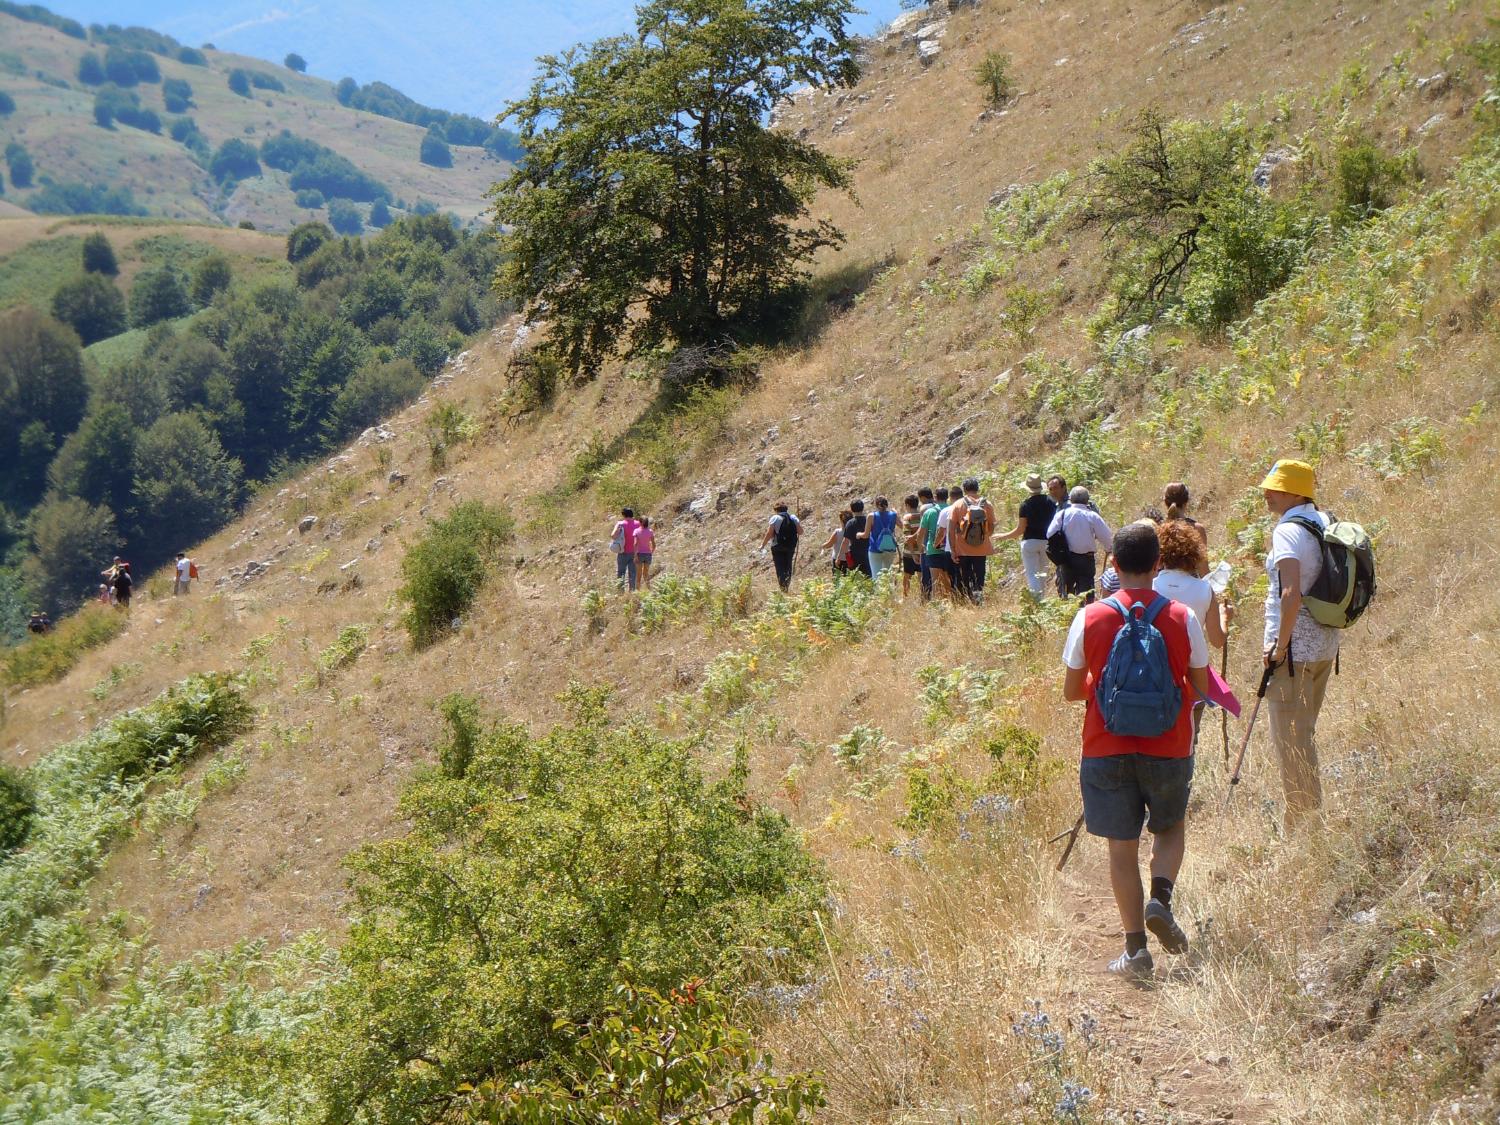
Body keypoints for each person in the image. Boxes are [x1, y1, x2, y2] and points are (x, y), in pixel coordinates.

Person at [1062, 522, 1210, 978]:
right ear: (1158, 564)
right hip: (1169, 746)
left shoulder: (1090, 616)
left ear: (1113, 564)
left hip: (1105, 746)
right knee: (1169, 829)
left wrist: (1104, 687)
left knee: (1121, 850)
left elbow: (1072, 692)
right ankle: (1160, 898)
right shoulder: (1182, 616)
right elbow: (1201, 688)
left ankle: (1135, 952)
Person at [1260, 459, 1340, 830]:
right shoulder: (1325, 520)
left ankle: (1304, 829)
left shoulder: (1288, 531)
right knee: (1303, 735)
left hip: (1295, 655)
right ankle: (1309, 822)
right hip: (1325, 647)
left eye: (1274, 487)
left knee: (1292, 744)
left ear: (1295, 491)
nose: (1267, 493)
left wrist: (1279, 648)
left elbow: (1289, 593)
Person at [1153, 520, 1229, 650]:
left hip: (1156, 666)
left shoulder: (1150, 587)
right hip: (1193, 666)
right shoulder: (1204, 590)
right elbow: (1217, 641)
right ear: (1194, 553)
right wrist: (1225, 617)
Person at [1047, 487, 1113, 600]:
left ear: (1070, 499)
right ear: (1087, 500)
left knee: (1068, 591)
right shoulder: (1092, 516)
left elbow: (1049, 534)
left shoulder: (1062, 515)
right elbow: (1107, 537)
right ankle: (1085, 614)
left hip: (1066, 558)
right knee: (1086, 591)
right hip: (1086, 559)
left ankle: (1069, 614)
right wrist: (1108, 548)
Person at [997, 473, 1056, 597]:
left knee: (1032, 573)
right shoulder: (1051, 502)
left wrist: (1004, 536)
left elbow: (1020, 529)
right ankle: (1043, 601)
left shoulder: (1025, 505)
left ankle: (1036, 601)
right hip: (1047, 542)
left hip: (1029, 542)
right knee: (1043, 573)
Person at [947, 477, 996, 604]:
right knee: (979, 578)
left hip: (962, 550)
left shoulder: (957, 504)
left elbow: (950, 529)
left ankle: (964, 603)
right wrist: (983, 536)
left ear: (964, 489)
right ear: (977, 488)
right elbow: (991, 526)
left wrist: (952, 550)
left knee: (964, 578)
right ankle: (977, 602)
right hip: (981, 549)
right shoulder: (987, 504)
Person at [1163, 482, 1209, 570]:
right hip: (1191, 582)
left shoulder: (1159, 529)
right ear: (1186, 502)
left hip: (1164, 582)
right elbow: (1203, 567)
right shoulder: (1197, 529)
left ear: (1165, 502)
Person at [760, 502, 800, 592]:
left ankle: (783, 588)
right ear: (786, 509)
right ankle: (787, 586)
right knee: (788, 566)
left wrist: (763, 545)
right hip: (790, 546)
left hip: (777, 546)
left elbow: (769, 533)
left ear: (776, 510)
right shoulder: (793, 517)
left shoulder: (775, 518)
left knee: (780, 567)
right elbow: (800, 532)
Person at [917, 487, 945, 601]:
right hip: (948, 548)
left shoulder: (926, 509)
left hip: (929, 548)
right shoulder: (950, 508)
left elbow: (921, 530)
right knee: (946, 577)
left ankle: (928, 600)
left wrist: (919, 547)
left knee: (929, 579)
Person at [866, 496, 900, 584]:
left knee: (876, 576)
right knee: (888, 574)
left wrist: (858, 535)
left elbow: (866, 535)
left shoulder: (871, 516)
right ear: (887, 505)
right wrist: (896, 514)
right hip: (890, 548)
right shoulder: (893, 515)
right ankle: (888, 595)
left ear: (876, 505)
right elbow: (904, 527)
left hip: (875, 549)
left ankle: (879, 595)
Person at [898, 494, 923, 599]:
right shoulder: (923, 515)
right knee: (921, 575)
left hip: (909, 552)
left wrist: (913, 554)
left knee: (907, 575)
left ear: (907, 505)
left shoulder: (907, 517)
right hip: (922, 550)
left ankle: (905, 597)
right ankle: (923, 595)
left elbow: (908, 537)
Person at [610, 508, 640, 591]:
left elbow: (613, 536)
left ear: (623, 515)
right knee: (633, 574)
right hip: (635, 552)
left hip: (623, 552)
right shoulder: (638, 524)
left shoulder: (620, 524)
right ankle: (632, 591)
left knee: (621, 573)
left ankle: (620, 591)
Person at [843, 500, 872, 579]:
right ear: (863, 508)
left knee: (858, 578)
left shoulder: (850, 523)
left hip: (855, 554)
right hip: (869, 552)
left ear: (852, 510)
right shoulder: (869, 521)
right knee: (870, 576)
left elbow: (845, 542)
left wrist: (846, 556)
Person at [821, 509, 853, 577]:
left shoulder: (837, 532)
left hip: (838, 560)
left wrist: (823, 545)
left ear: (841, 521)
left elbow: (829, 544)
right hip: (850, 559)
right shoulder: (854, 532)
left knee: (837, 579)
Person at [635, 518, 656, 590]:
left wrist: (635, 555)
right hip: (648, 554)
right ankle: (649, 589)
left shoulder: (636, 531)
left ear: (640, 523)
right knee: (646, 573)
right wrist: (651, 552)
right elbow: (654, 544)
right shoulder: (650, 531)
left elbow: (635, 544)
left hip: (639, 554)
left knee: (638, 574)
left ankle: (638, 590)